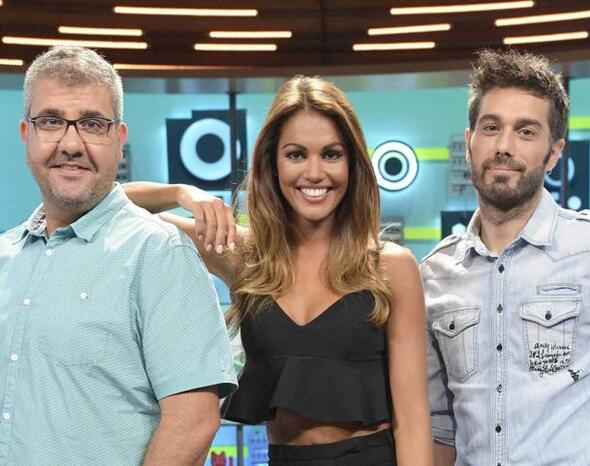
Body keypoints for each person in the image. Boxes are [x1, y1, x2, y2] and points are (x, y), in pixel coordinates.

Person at [124, 75, 433, 465]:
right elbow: (113, 206)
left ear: (354, 164)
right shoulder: (244, 255)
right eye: (296, 154)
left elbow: (413, 417)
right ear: (272, 163)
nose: (315, 173)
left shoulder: (390, 266)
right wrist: (183, 193)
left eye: (332, 154)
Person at [0, 46, 237, 465]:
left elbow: (194, 422)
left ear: (118, 138)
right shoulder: (6, 256)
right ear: (26, 133)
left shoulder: (159, 253)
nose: (71, 144)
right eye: (52, 121)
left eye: (92, 124)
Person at [423, 49, 590, 466]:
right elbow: (438, 424)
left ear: (554, 152)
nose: (504, 146)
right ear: (469, 142)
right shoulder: (435, 274)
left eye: (526, 132)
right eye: (491, 127)